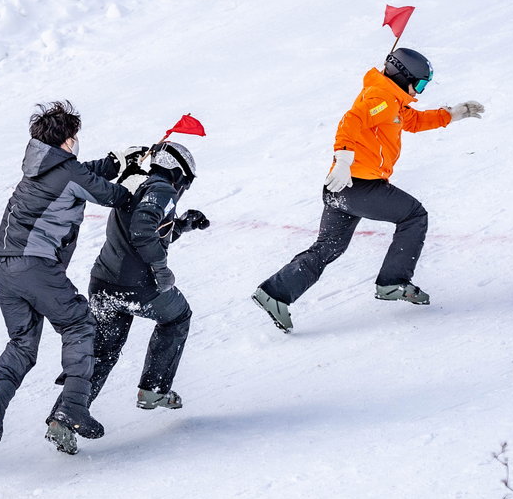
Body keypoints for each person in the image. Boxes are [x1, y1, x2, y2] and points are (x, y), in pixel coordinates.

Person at [251, 47, 485, 332]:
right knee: (414, 215)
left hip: (341, 189)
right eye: (420, 83)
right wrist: (343, 158)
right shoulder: (380, 99)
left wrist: (453, 114)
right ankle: (393, 282)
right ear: (403, 76)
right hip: (357, 185)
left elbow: (413, 121)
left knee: (329, 247)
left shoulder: (391, 100)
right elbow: (352, 120)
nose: (420, 91)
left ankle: (274, 293)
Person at [0, 101, 136, 455]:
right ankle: (74, 406)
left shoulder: (38, 167)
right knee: (79, 325)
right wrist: (137, 184)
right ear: (66, 140)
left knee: (22, 343)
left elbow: (80, 176)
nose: (76, 141)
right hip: (36, 265)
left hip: (3, 268)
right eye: (74, 136)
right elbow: (111, 195)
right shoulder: (68, 172)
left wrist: (114, 162)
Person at [87, 142, 210, 413]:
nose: (184, 188)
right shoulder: (163, 189)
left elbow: (146, 231)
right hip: (136, 287)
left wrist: (181, 226)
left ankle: (66, 415)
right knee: (178, 317)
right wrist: (161, 269)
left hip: (103, 285)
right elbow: (142, 231)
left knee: (102, 353)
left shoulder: (134, 184)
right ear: (177, 172)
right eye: (186, 181)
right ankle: (154, 390)